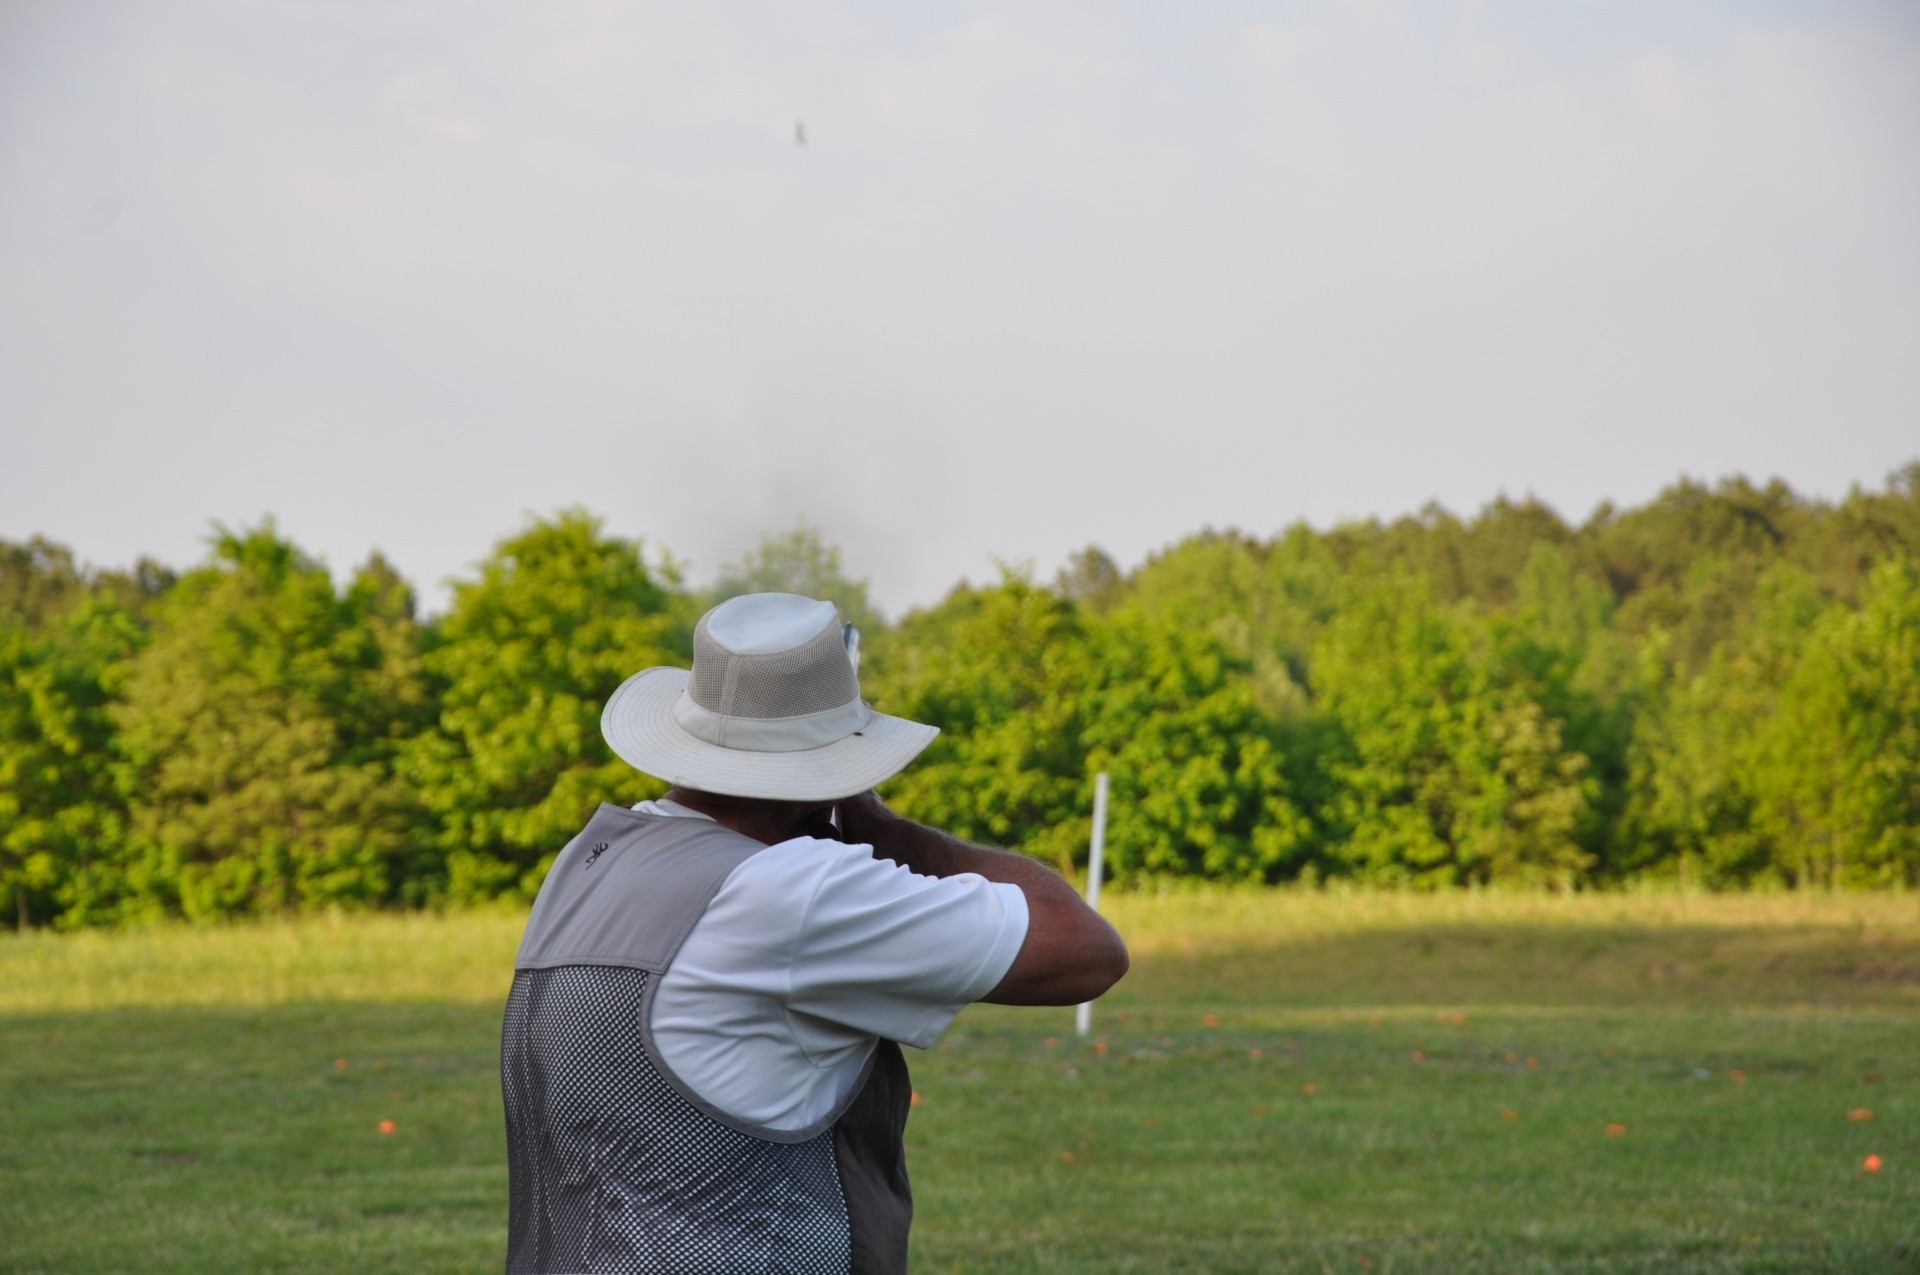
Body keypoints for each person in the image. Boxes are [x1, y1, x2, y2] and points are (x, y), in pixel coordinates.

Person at [501, 591, 1128, 1274]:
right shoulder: (794, 887)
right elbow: (1084, 948)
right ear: (828, 763)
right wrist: (888, 830)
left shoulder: (590, 861)